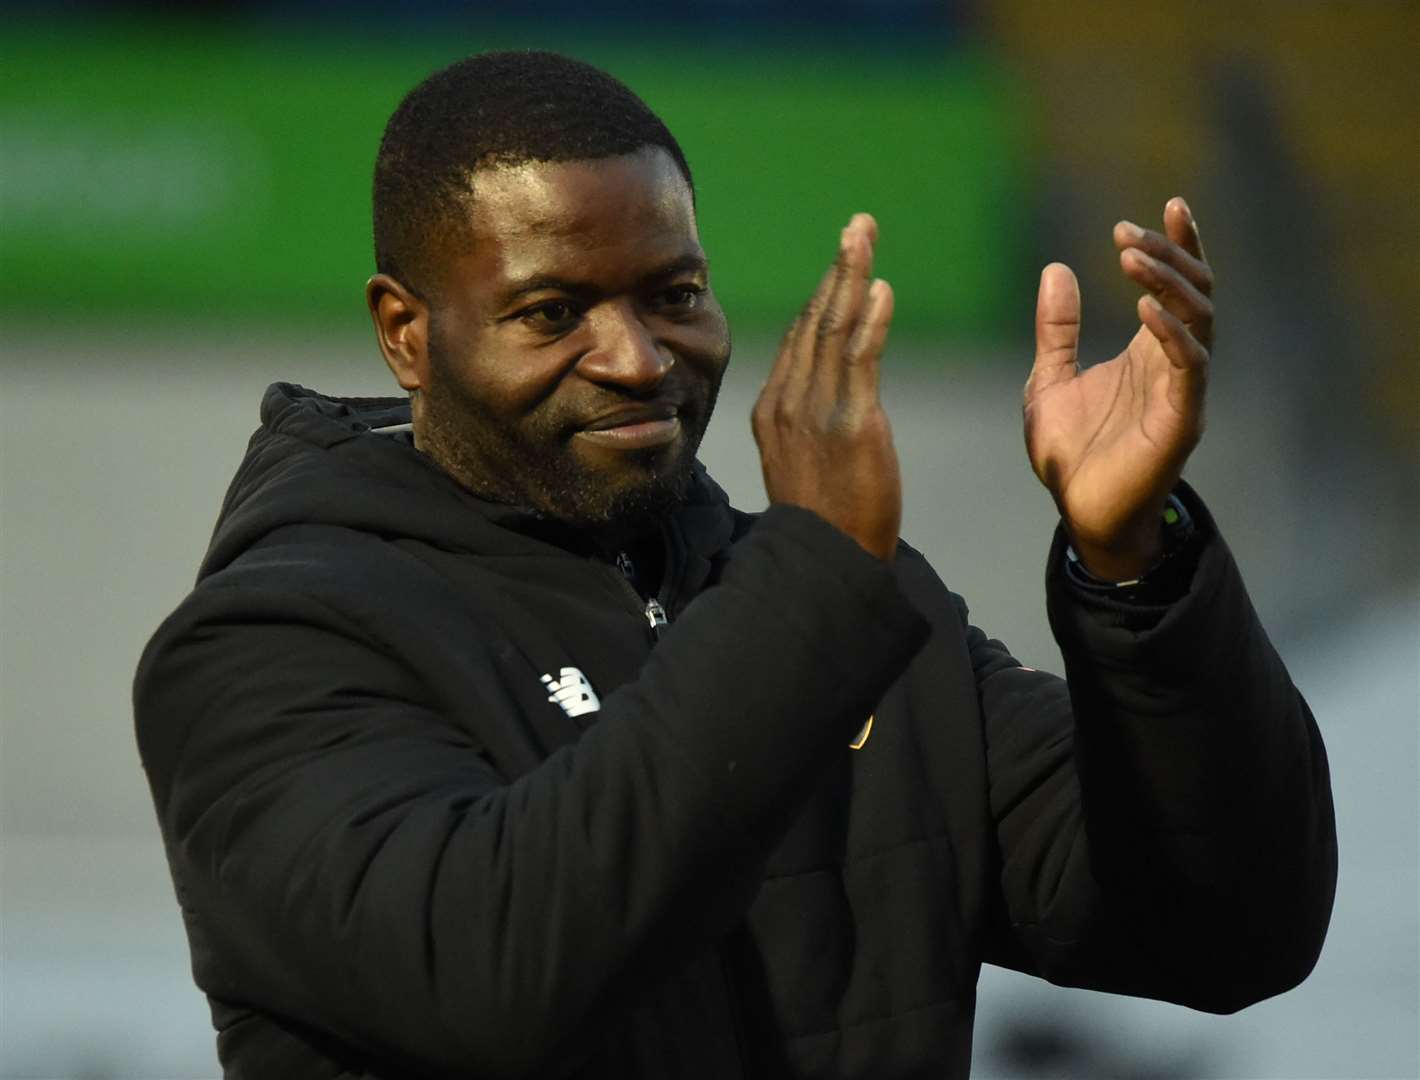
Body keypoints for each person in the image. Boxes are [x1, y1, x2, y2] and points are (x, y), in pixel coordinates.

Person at [134, 49, 1337, 1079]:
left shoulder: (862, 619)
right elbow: (493, 977)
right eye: (553, 312)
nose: (639, 359)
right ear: (407, 331)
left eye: (675, 294)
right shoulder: (268, 648)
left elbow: (1233, 930)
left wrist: (1134, 568)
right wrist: (811, 583)